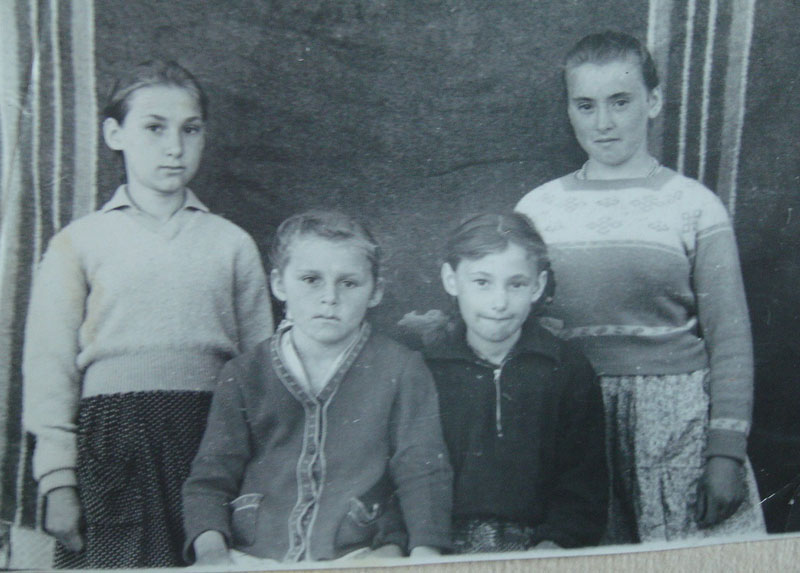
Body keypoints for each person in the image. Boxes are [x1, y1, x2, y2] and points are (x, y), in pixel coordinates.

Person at [21, 59, 274, 568]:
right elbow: (49, 372)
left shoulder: (232, 244)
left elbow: (262, 372)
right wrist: (58, 481)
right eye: (154, 128)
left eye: (190, 129)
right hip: (111, 445)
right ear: (114, 134)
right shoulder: (79, 242)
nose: (175, 147)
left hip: (212, 441)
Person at [515, 30, 765, 543]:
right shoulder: (537, 210)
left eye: (620, 101)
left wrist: (725, 453)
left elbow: (730, 339)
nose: (603, 123)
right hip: (573, 423)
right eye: (586, 105)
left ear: (653, 102)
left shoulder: (695, 206)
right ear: (569, 110)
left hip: (674, 427)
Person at [182, 210, 453, 566]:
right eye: (311, 279)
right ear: (279, 284)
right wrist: (212, 555)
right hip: (252, 557)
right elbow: (210, 479)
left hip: (357, 556)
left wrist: (423, 555)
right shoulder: (245, 373)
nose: (330, 298)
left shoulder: (401, 369)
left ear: (376, 291)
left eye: (349, 283)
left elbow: (422, 472)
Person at [412, 212, 607, 553]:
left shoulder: (567, 368)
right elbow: (410, 477)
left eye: (516, 284)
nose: (499, 303)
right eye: (482, 282)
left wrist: (553, 545)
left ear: (538, 286)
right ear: (451, 280)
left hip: (539, 549)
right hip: (441, 548)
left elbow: (583, 484)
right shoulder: (425, 369)